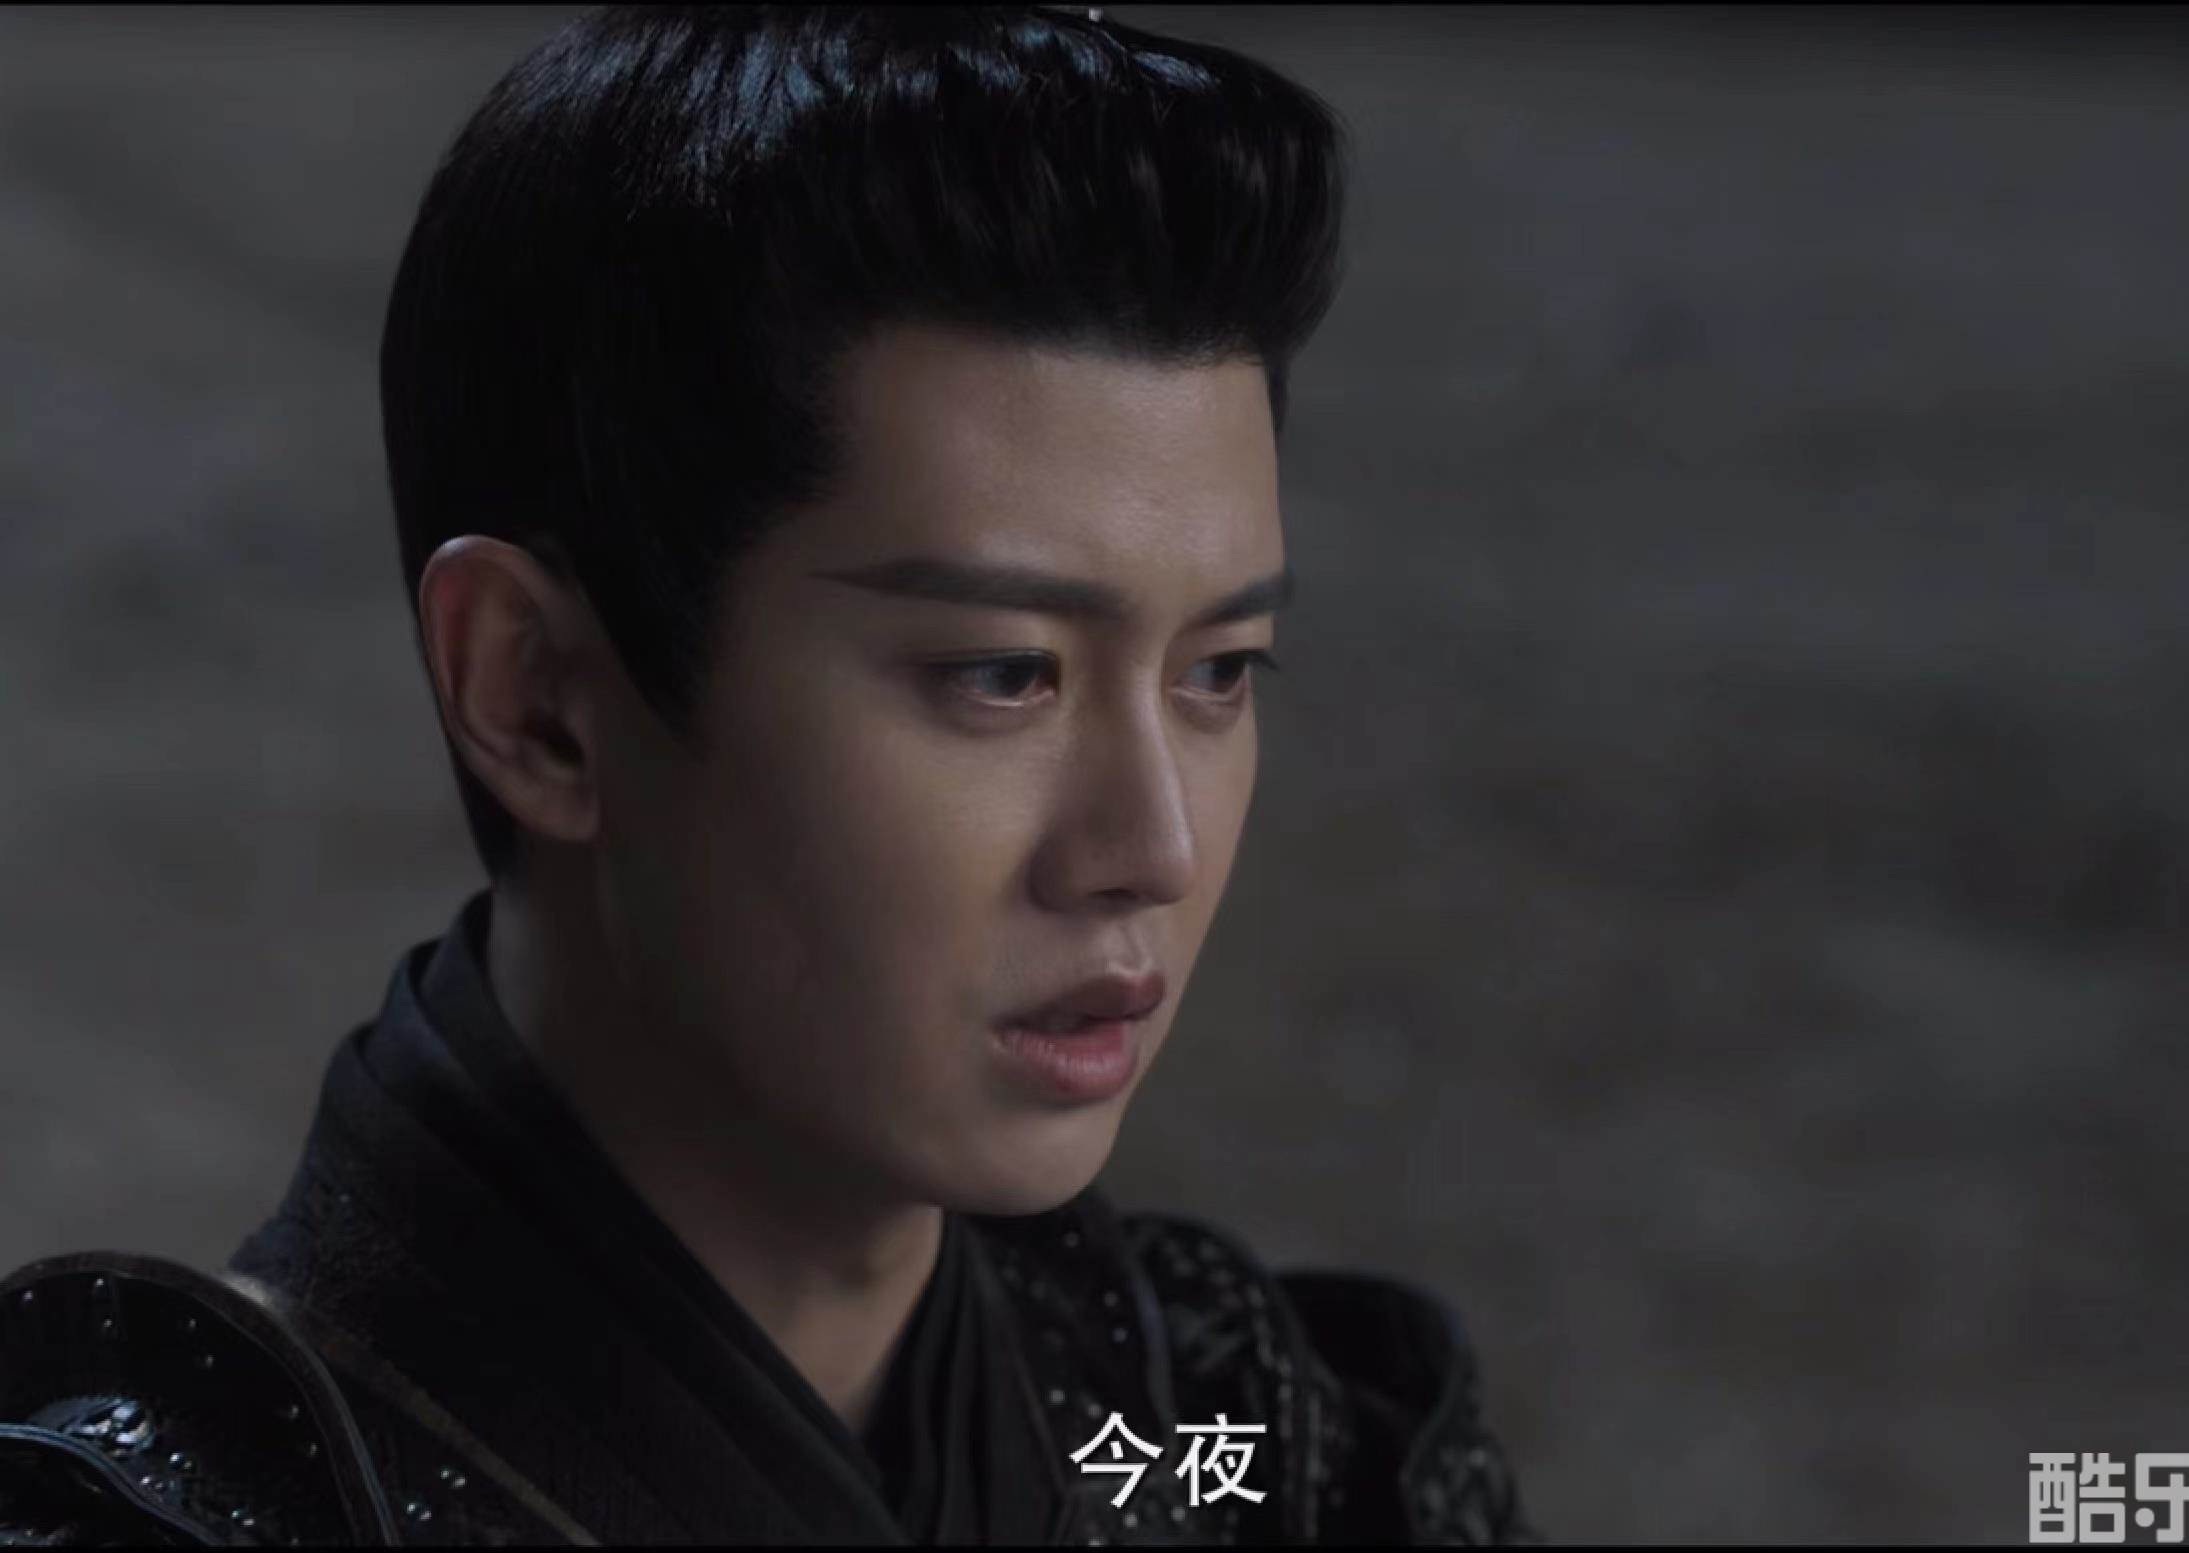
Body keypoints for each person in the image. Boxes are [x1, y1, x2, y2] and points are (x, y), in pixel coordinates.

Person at [0, 5, 1537, 1543]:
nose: (1155, 843)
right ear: (537, 696)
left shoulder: (1230, 1438)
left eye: (1218, 671)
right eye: (1002, 671)